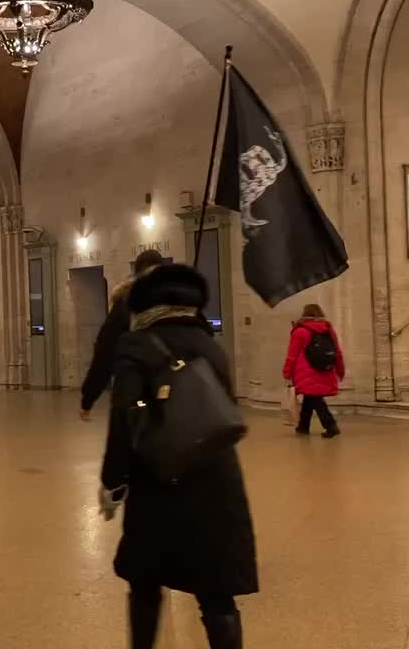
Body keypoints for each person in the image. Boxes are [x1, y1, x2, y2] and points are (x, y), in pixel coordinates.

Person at [99, 263, 256, 648]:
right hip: (216, 476)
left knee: (146, 582)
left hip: (158, 481)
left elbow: (124, 421)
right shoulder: (211, 345)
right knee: (217, 594)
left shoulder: (136, 345)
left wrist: (112, 481)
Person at [80, 249, 166, 420]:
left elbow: (104, 353)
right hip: (171, 393)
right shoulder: (179, 302)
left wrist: (88, 398)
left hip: (134, 394)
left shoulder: (126, 305)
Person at [283, 303, 345, 439]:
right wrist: (340, 370)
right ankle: (303, 426)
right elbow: (337, 352)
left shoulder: (299, 331)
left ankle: (330, 425)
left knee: (315, 398)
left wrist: (287, 372)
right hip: (325, 369)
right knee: (310, 397)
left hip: (306, 371)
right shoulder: (328, 330)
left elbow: (292, 355)